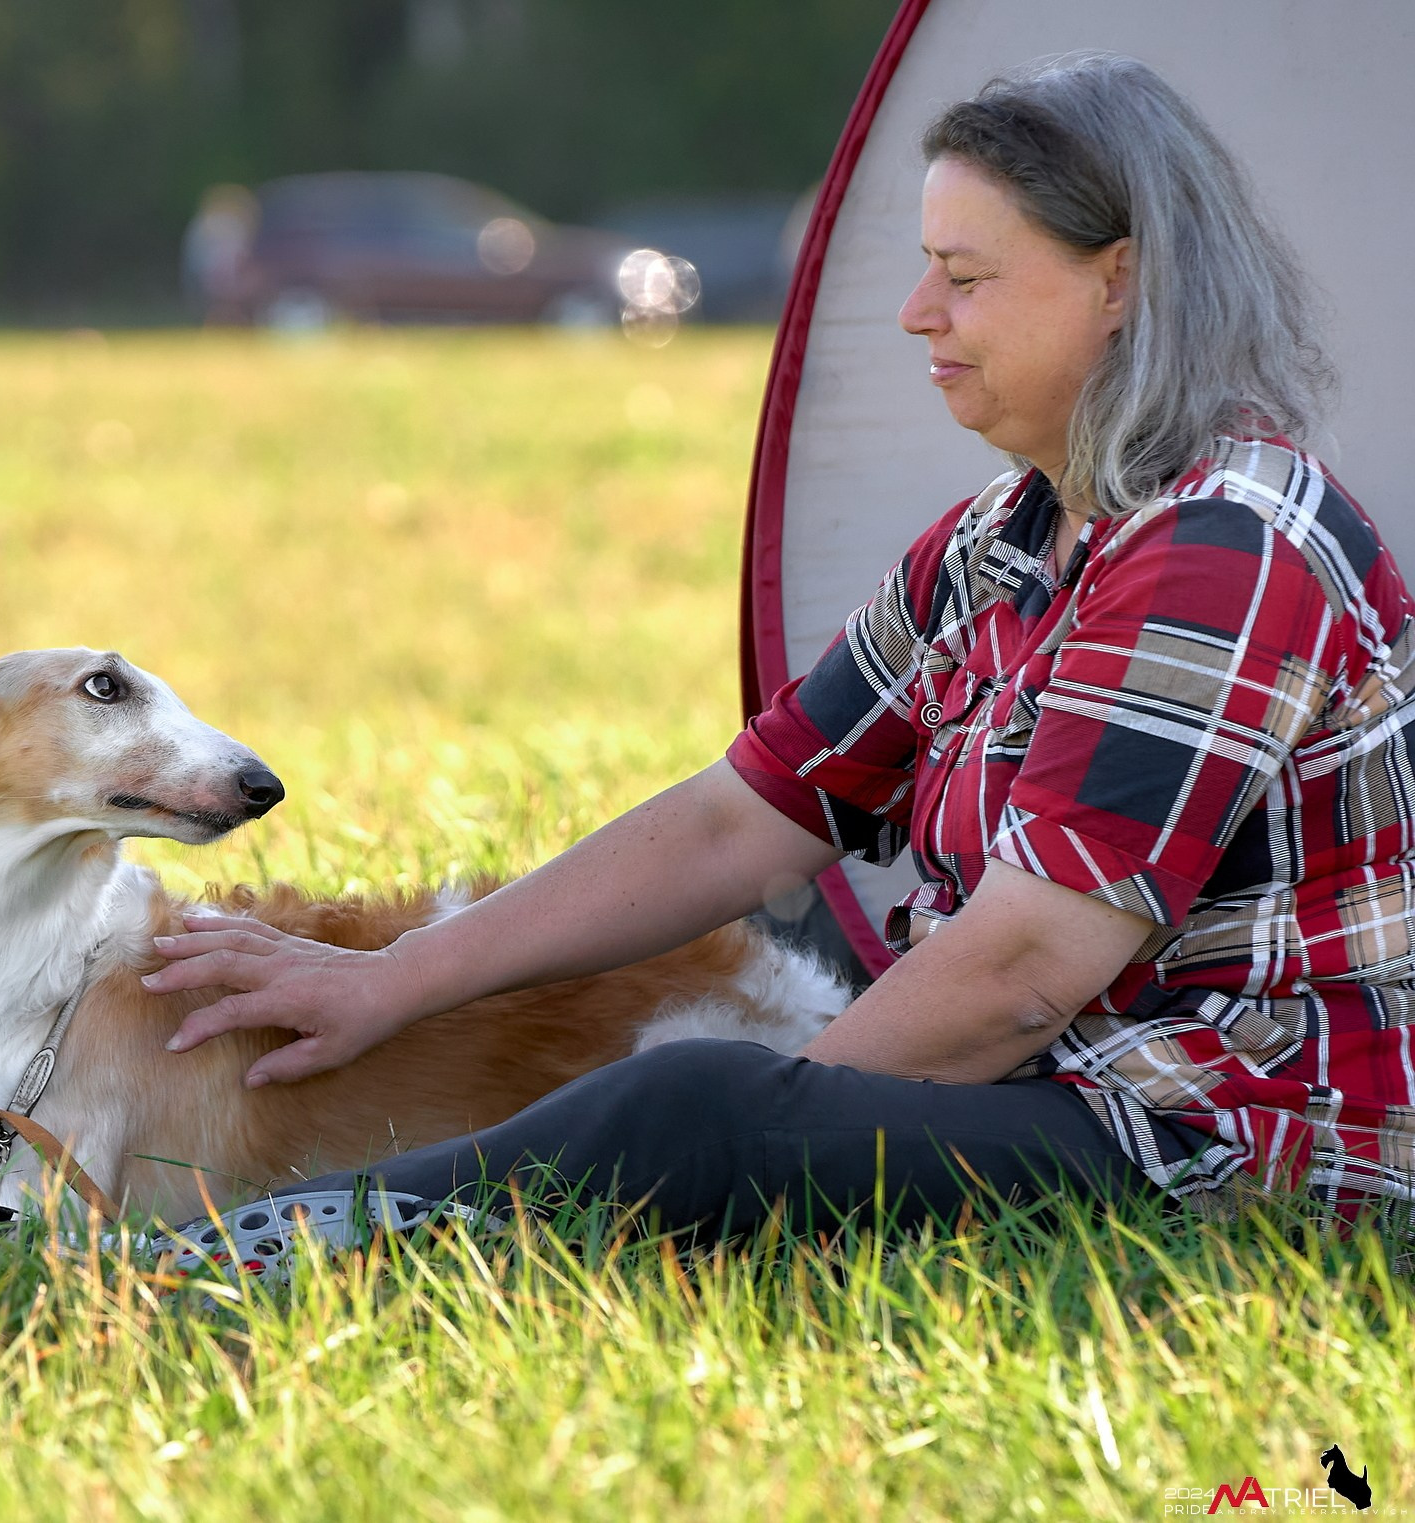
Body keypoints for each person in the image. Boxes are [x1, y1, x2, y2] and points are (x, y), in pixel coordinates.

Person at [145, 53, 1415, 1250]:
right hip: (1075, 1092)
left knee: (689, 1107)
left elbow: (1025, 971)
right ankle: (303, 1211)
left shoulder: (1227, 549)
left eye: (964, 278)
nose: (918, 313)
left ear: (1119, 281)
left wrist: (756, 1135)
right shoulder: (999, 540)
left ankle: (231, 1263)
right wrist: (396, 982)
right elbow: (735, 822)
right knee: (729, 988)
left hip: (1233, 1149)